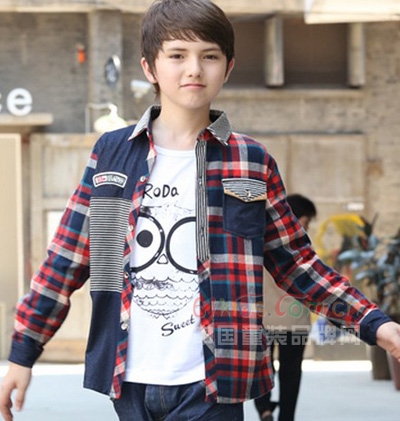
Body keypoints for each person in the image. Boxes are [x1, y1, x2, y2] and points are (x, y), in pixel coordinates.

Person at [1, 1, 400, 420]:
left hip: (214, 380)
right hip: (127, 377)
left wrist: (373, 322)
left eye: (209, 56)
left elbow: (296, 263)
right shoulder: (113, 154)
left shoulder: (249, 161)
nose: (193, 69)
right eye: (177, 55)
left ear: (228, 68)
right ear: (150, 67)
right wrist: (23, 353)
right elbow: (67, 259)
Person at [254, 194, 317, 421]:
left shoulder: (259, 238)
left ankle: (264, 409)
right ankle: (286, 417)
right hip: (294, 318)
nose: (307, 226)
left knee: (262, 367)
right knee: (291, 372)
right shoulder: (301, 244)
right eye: (307, 220)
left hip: (263, 317)